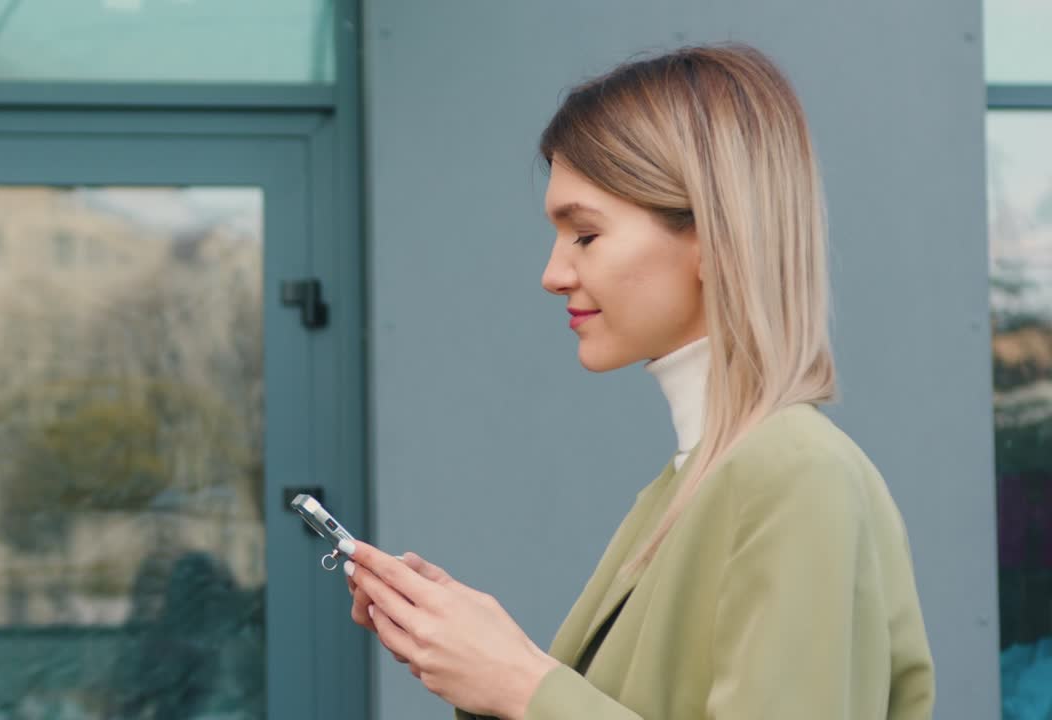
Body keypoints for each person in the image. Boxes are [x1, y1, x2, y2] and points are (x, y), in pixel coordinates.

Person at [340, 43, 935, 720]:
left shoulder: (795, 476)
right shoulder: (695, 482)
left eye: (585, 235)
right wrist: (475, 659)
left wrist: (521, 684)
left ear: (713, 236)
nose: (553, 274)